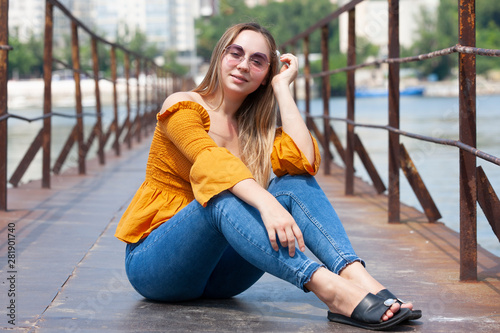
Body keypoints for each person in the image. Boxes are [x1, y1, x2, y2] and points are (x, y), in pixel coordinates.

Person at [115, 22, 421, 330]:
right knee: (219, 196)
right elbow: (210, 163)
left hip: (224, 279)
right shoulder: (183, 105)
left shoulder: (256, 132)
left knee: (292, 184)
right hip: (158, 268)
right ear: (220, 57)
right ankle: (331, 290)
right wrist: (267, 204)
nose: (244, 65)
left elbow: (304, 161)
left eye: (258, 61)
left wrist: (282, 89)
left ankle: (357, 276)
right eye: (235, 53)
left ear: (265, 75)